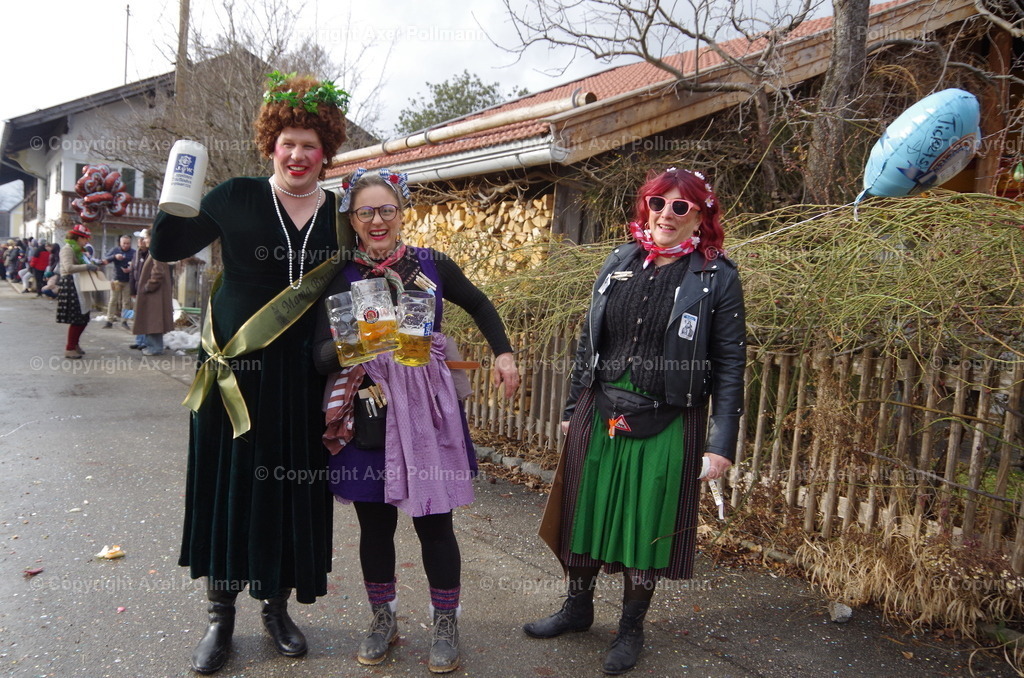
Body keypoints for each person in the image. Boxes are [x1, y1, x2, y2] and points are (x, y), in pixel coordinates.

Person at [149, 72, 349, 674]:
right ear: (271, 145)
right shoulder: (235, 196)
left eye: (310, 145)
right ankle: (220, 616)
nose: (298, 155)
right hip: (235, 371)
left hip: (303, 378)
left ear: (326, 151)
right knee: (230, 485)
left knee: (289, 489)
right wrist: (172, 198)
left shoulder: (340, 215)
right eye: (289, 142)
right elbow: (168, 246)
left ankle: (276, 607)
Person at [522, 168, 746, 675]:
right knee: (584, 510)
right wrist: (572, 407)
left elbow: (731, 364)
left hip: (668, 416)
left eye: (681, 206)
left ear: (701, 216)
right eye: (658, 203)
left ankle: (630, 629)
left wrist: (721, 444)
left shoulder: (718, 277)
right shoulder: (620, 259)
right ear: (646, 207)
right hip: (601, 407)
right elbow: (589, 339)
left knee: (647, 520)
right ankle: (577, 609)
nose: (667, 214)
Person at [312, 168, 520, 674]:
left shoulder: (431, 264)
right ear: (352, 219)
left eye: (387, 209)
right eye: (366, 211)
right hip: (370, 411)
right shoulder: (340, 276)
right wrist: (363, 342)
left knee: (435, 523)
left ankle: (445, 623)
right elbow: (318, 358)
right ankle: (382, 618)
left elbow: (479, 303)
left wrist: (504, 353)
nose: (377, 220)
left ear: (402, 213)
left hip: (427, 413)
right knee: (375, 526)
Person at [56, 224, 100, 359]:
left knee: (83, 317)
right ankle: (69, 348)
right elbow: (68, 268)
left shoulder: (78, 250)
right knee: (77, 318)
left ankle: (75, 344)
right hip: (71, 284)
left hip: (79, 284)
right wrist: (87, 266)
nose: (87, 241)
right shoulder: (67, 249)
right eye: (85, 238)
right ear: (78, 238)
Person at [132, 231, 174, 356]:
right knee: (152, 321)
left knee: (153, 321)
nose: (144, 240)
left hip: (155, 295)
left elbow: (158, 273)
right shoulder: (156, 252)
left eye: (146, 238)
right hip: (155, 294)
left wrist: (148, 287)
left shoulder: (156, 253)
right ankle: (152, 346)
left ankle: (155, 348)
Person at [100, 235, 135, 328]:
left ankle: (125, 321)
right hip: (116, 279)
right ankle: (109, 320)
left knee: (127, 302)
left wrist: (131, 269)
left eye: (128, 243)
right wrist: (114, 257)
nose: (126, 245)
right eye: (124, 243)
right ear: (120, 243)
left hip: (128, 280)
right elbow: (105, 259)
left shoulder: (134, 252)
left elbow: (138, 265)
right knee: (113, 300)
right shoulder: (115, 250)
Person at [127, 233, 151, 349]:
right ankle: (139, 340)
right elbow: (132, 272)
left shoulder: (150, 254)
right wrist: (132, 290)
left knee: (146, 316)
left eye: (142, 239)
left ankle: (145, 341)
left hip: (147, 289)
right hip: (138, 289)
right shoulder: (136, 254)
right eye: (139, 239)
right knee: (138, 316)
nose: (140, 241)